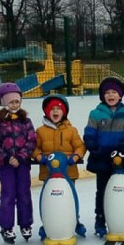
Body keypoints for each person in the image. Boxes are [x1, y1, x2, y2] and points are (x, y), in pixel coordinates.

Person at [83, 76, 124, 238]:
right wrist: (95, 148)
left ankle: (121, 216)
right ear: (102, 96)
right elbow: (89, 134)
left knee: (120, 190)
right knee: (102, 191)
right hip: (102, 159)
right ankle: (100, 220)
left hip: (119, 160)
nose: (111, 95)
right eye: (107, 92)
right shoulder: (96, 114)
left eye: (114, 92)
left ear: (120, 95)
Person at [0, 82, 37, 244]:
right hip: (6, 165)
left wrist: (21, 157)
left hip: (22, 164)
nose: (14, 104)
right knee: (8, 195)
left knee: (24, 193)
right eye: (11, 102)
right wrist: (6, 157)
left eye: (17, 101)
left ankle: (25, 224)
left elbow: (32, 140)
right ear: (3, 103)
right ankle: (6, 226)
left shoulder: (25, 121)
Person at [33, 93, 87, 237]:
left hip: (68, 172)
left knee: (69, 198)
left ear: (64, 112)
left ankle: (75, 221)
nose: (55, 111)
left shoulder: (71, 130)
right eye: (52, 109)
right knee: (48, 201)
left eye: (59, 109)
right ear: (46, 112)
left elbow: (80, 146)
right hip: (48, 172)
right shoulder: (40, 131)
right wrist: (39, 157)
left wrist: (76, 156)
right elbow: (34, 147)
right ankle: (47, 224)